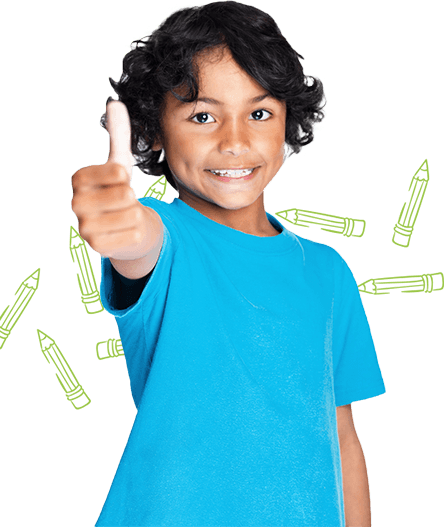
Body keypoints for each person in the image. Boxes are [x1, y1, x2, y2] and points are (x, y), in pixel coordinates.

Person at [71, 2, 385, 525]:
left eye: (258, 114)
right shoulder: (164, 232)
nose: (235, 142)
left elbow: (342, 436)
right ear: (154, 132)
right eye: (202, 116)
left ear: (288, 123)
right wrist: (118, 224)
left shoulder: (329, 273)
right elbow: (139, 244)